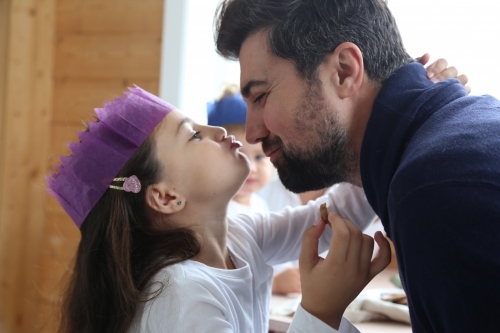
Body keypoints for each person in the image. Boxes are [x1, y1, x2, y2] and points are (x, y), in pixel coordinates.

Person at [215, 0, 499, 332]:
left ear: (345, 71)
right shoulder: (442, 146)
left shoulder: (436, 187)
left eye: (261, 97)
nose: (252, 133)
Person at [47, 86, 390, 333]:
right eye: (194, 136)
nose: (218, 130)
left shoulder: (242, 235)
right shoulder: (180, 297)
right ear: (166, 198)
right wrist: (320, 310)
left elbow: (328, 219)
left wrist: (385, 132)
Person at [207, 84, 274, 216]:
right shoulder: (213, 209)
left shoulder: (261, 206)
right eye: (239, 155)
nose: (251, 168)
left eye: (259, 157)